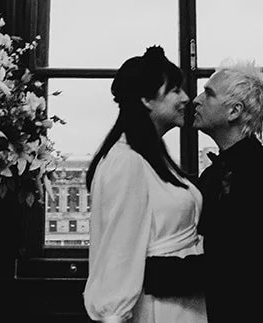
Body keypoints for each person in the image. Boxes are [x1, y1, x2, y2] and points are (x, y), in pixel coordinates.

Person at [84, 46, 208, 323]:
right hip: (157, 309)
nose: (186, 98)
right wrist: (113, 315)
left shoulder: (153, 158)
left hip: (182, 304)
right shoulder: (126, 163)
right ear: (146, 99)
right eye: (175, 90)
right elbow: (118, 252)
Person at [192, 61, 263, 321]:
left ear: (234, 111)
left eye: (208, 93)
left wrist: (157, 274)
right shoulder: (218, 172)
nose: (196, 100)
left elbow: (238, 265)